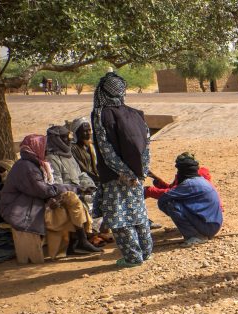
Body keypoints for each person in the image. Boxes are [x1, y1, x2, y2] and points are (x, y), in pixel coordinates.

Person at [0, 135, 101, 256]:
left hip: (30, 202)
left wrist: (76, 189)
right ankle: (75, 243)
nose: (47, 150)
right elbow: (44, 191)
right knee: (62, 211)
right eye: (44, 148)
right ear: (36, 148)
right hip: (18, 210)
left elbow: (44, 189)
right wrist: (75, 188)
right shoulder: (26, 167)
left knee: (70, 200)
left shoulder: (36, 163)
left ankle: (79, 241)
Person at [92, 71, 152, 268]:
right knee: (138, 214)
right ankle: (146, 252)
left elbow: (106, 149)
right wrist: (139, 173)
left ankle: (133, 257)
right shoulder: (136, 114)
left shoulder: (101, 114)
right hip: (136, 175)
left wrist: (124, 173)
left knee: (119, 218)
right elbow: (146, 144)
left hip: (115, 176)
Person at [157, 152, 222, 247]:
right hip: (214, 223)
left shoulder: (189, 184)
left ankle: (196, 236)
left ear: (181, 171)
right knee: (179, 202)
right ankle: (194, 228)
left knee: (171, 204)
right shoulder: (200, 180)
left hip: (209, 227)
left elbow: (163, 198)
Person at [69, 117, 100, 183]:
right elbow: (82, 169)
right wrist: (99, 179)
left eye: (89, 130)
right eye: (85, 131)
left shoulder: (91, 145)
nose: (88, 133)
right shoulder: (73, 148)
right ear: (76, 133)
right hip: (85, 181)